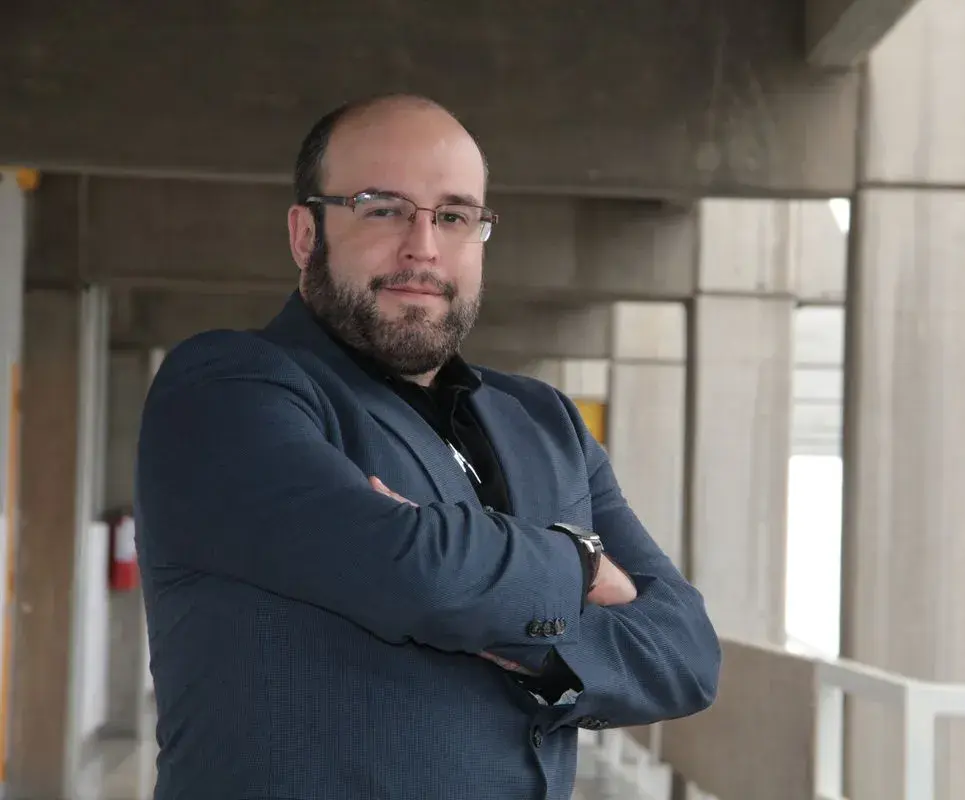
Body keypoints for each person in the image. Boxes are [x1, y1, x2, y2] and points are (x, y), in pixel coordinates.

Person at [135, 94, 721, 800]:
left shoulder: (545, 422)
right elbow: (417, 573)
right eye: (382, 208)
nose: (423, 246)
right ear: (305, 233)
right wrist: (584, 563)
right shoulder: (227, 388)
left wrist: (538, 649)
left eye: (454, 215)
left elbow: (687, 655)